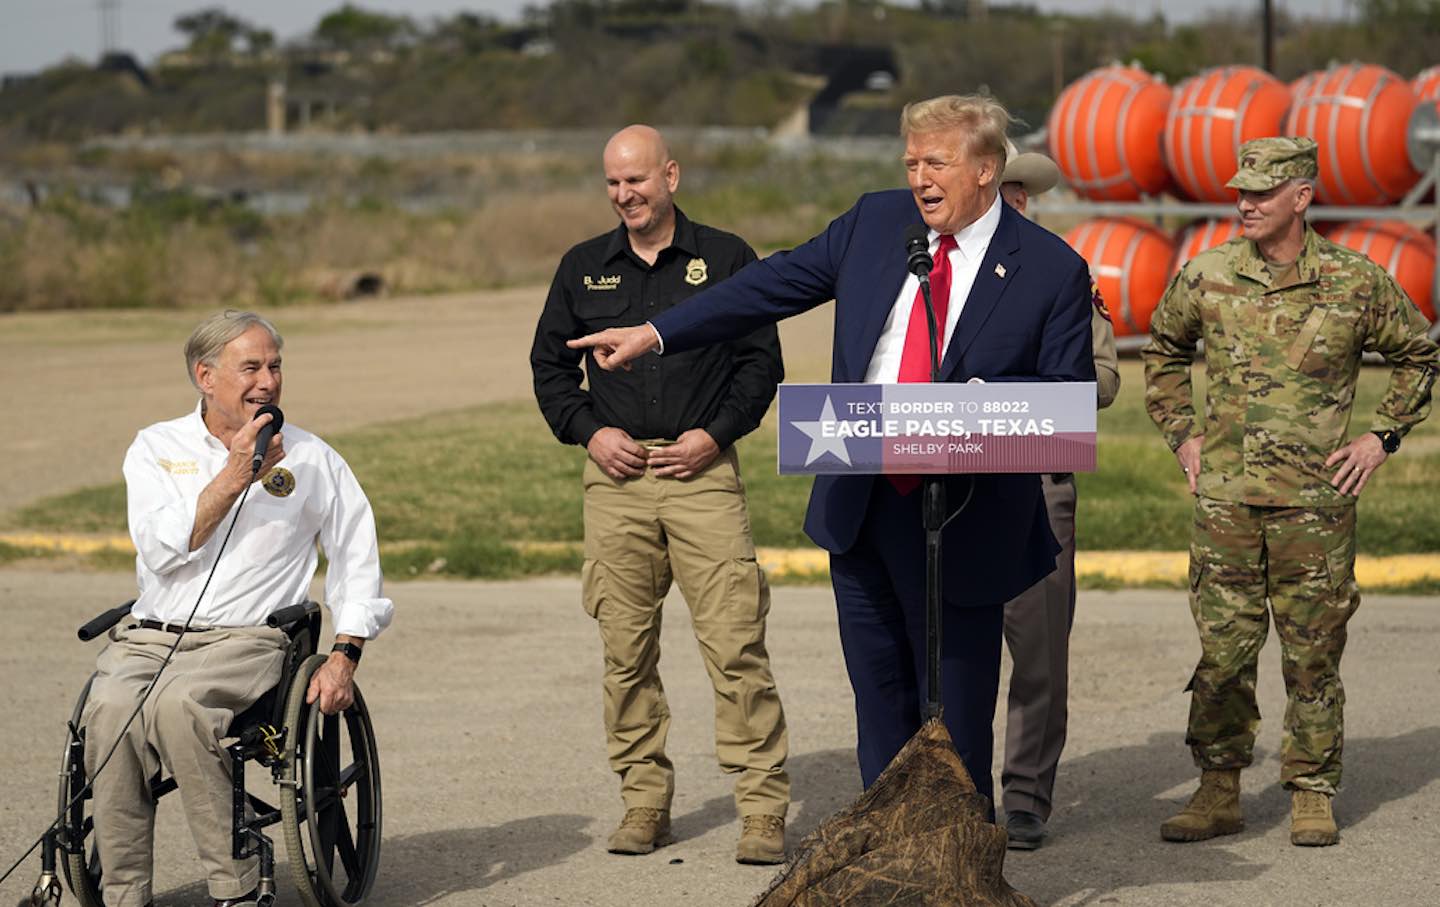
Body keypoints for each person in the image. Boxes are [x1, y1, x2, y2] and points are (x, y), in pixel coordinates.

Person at [569, 96, 1096, 814]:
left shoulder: (1048, 268)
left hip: (965, 519)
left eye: (935, 162)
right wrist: (659, 332)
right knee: (880, 701)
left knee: (957, 718)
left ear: (985, 169)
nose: (918, 178)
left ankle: (958, 862)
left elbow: (1066, 400)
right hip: (863, 506)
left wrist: (975, 410)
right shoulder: (878, 223)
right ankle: (884, 849)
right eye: (910, 162)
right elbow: (770, 284)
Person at [1144, 137, 1437, 847]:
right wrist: (1183, 433)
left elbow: (1419, 353)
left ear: (1301, 197)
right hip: (1227, 504)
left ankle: (1311, 787)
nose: (1243, 202)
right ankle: (1218, 788)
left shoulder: (1355, 281)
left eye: (1260, 192)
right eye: (1239, 190)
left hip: (1316, 503)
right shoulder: (1209, 274)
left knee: (1312, 651)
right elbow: (1162, 350)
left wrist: (1381, 437)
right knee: (1223, 653)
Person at [529, 125, 790, 864]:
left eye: (637, 180)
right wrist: (589, 431)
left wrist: (715, 435)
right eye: (612, 183)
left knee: (737, 644)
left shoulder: (728, 258)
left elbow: (759, 366)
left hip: (701, 474)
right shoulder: (583, 267)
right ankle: (644, 801)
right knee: (625, 651)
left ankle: (763, 808)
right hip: (616, 480)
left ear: (670, 175)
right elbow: (550, 370)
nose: (624, 195)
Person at [84, 310, 394, 907]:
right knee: (110, 711)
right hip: (150, 637)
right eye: (250, 366)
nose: (268, 381)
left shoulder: (314, 459)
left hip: (247, 642)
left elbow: (358, 558)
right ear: (205, 375)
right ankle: (123, 895)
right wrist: (236, 474)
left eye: (275, 366)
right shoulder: (155, 447)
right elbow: (159, 546)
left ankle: (237, 885)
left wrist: (345, 653)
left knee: (180, 708)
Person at [995, 142, 1120, 850]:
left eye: (1018, 191)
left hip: (1039, 474)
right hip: (953, 480)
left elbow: (1103, 378)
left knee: (1039, 647)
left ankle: (1026, 795)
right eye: (999, 190)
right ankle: (950, 785)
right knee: (951, 646)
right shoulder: (931, 270)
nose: (1010, 202)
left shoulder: (1062, 272)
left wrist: (1027, 386)